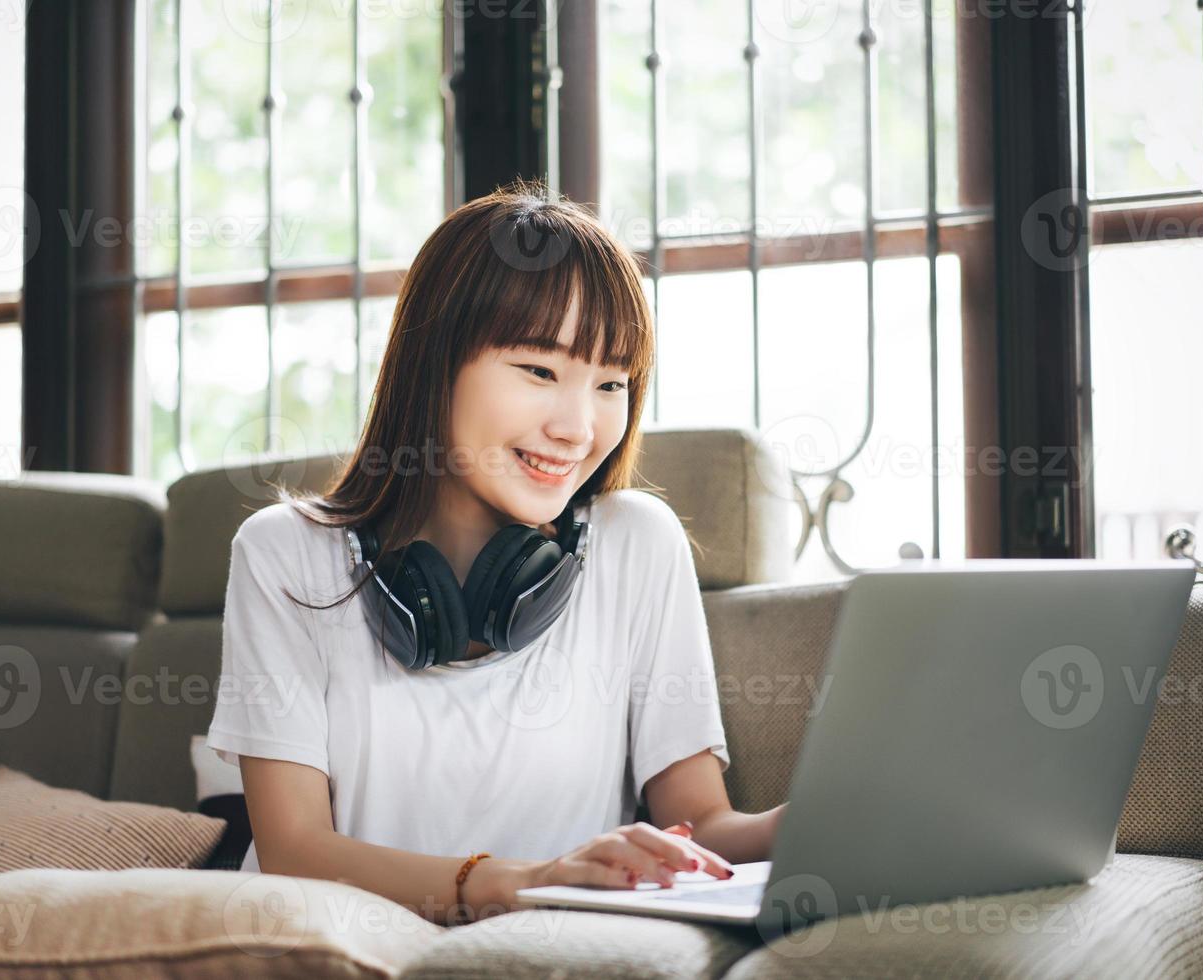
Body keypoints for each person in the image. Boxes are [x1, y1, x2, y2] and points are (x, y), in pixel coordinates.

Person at [204, 179, 786, 926]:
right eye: (540, 371)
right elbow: (296, 851)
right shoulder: (285, 554)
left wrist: (810, 821)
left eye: (611, 382)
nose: (579, 427)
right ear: (435, 363)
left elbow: (700, 825)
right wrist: (519, 880)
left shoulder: (638, 544)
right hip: (331, 949)